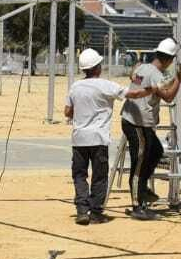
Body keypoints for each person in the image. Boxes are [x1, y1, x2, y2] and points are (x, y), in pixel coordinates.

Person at [62, 48, 153, 225]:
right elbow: (132, 93)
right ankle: (96, 212)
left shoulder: (75, 87)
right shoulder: (106, 86)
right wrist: (150, 89)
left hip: (79, 139)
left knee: (79, 175)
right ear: (97, 68)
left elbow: (67, 111)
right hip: (98, 139)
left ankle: (82, 210)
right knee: (99, 176)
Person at [120, 37, 181, 220]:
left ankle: (142, 189)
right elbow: (168, 97)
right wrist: (179, 78)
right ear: (169, 59)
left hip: (136, 120)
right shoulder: (157, 75)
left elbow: (132, 75)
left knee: (156, 151)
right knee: (139, 163)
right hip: (137, 123)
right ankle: (137, 204)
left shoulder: (143, 68)